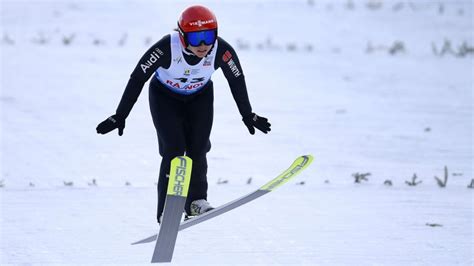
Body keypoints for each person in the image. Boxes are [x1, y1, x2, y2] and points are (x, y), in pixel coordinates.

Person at [96, 5, 271, 223]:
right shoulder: (166, 48)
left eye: (208, 36)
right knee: (174, 149)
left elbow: (236, 79)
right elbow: (137, 78)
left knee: (198, 148)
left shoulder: (221, 50)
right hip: (165, 98)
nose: (203, 45)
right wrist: (120, 115)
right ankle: (168, 209)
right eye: (196, 38)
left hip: (200, 98)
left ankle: (196, 202)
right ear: (181, 35)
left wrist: (248, 115)